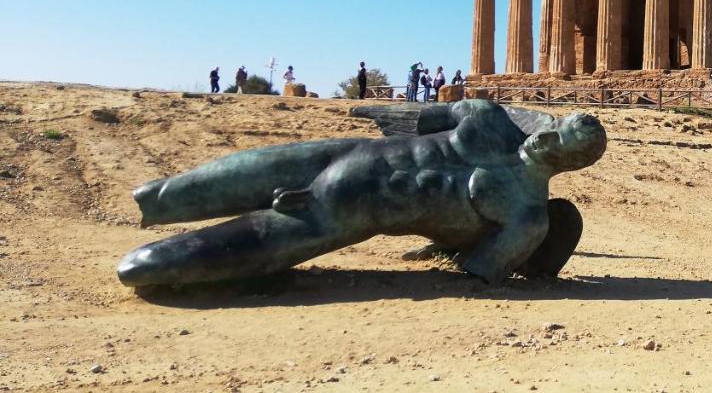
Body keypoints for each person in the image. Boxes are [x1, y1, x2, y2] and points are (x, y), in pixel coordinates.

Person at [117, 101, 607, 287]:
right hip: (348, 153)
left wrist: (458, 246)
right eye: (556, 129)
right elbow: (421, 120)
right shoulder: (488, 118)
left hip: (349, 211)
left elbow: (479, 269)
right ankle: (156, 203)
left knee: (147, 268)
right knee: (161, 194)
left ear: (569, 164)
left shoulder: (528, 216)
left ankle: (154, 267)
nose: (546, 140)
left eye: (561, 147)